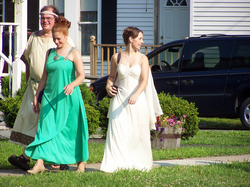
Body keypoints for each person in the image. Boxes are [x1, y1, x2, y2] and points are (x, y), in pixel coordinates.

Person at [8, 6, 74, 171]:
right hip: (34, 86)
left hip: (54, 88)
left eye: (48, 18)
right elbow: (27, 61)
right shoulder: (34, 37)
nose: (44, 21)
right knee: (30, 120)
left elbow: (70, 64)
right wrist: (29, 83)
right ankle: (26, 157)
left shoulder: (64, 39)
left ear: (55, 20)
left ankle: (58, 159)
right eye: (42, 18)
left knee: (51, 122)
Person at [24, 16, 89, 174]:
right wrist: (36, 95)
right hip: (49, 97)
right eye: (54, 39)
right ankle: (39, 164)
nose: (56, 42)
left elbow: (82, 75)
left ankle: (81, 163)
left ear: (66, 36)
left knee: (72, 130)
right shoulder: (49, 52)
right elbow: (44, 77)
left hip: (68, 97)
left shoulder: (74, 53)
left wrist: (72, 84)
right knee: (43, 129)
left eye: (59, 39)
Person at [100, 26, 163, 172]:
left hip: (137, 101)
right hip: (119, 100)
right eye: (140, 38)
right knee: (117, 132)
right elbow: (111, 77)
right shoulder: (116, 57)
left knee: (136, 133)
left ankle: (137, 162)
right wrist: (109, 87)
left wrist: (135, 95)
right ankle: (115, 164)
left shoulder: (143, 58)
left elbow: (144, 81)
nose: (142, 42)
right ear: (131, 39)